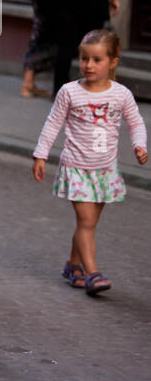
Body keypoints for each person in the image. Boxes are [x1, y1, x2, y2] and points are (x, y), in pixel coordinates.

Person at [33, 29, 147, 296]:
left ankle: (73, 266)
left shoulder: (121, 94)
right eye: (84, 59)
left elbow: (136, 123)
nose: (89, 65)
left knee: (88, 225)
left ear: (113, 61)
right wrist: (41, 154)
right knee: (86, 222)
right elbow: (53, 124)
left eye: (97, 60)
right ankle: (92, 273)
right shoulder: (69, 92)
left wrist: (140, 145)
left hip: (105, 169)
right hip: (77, 168)